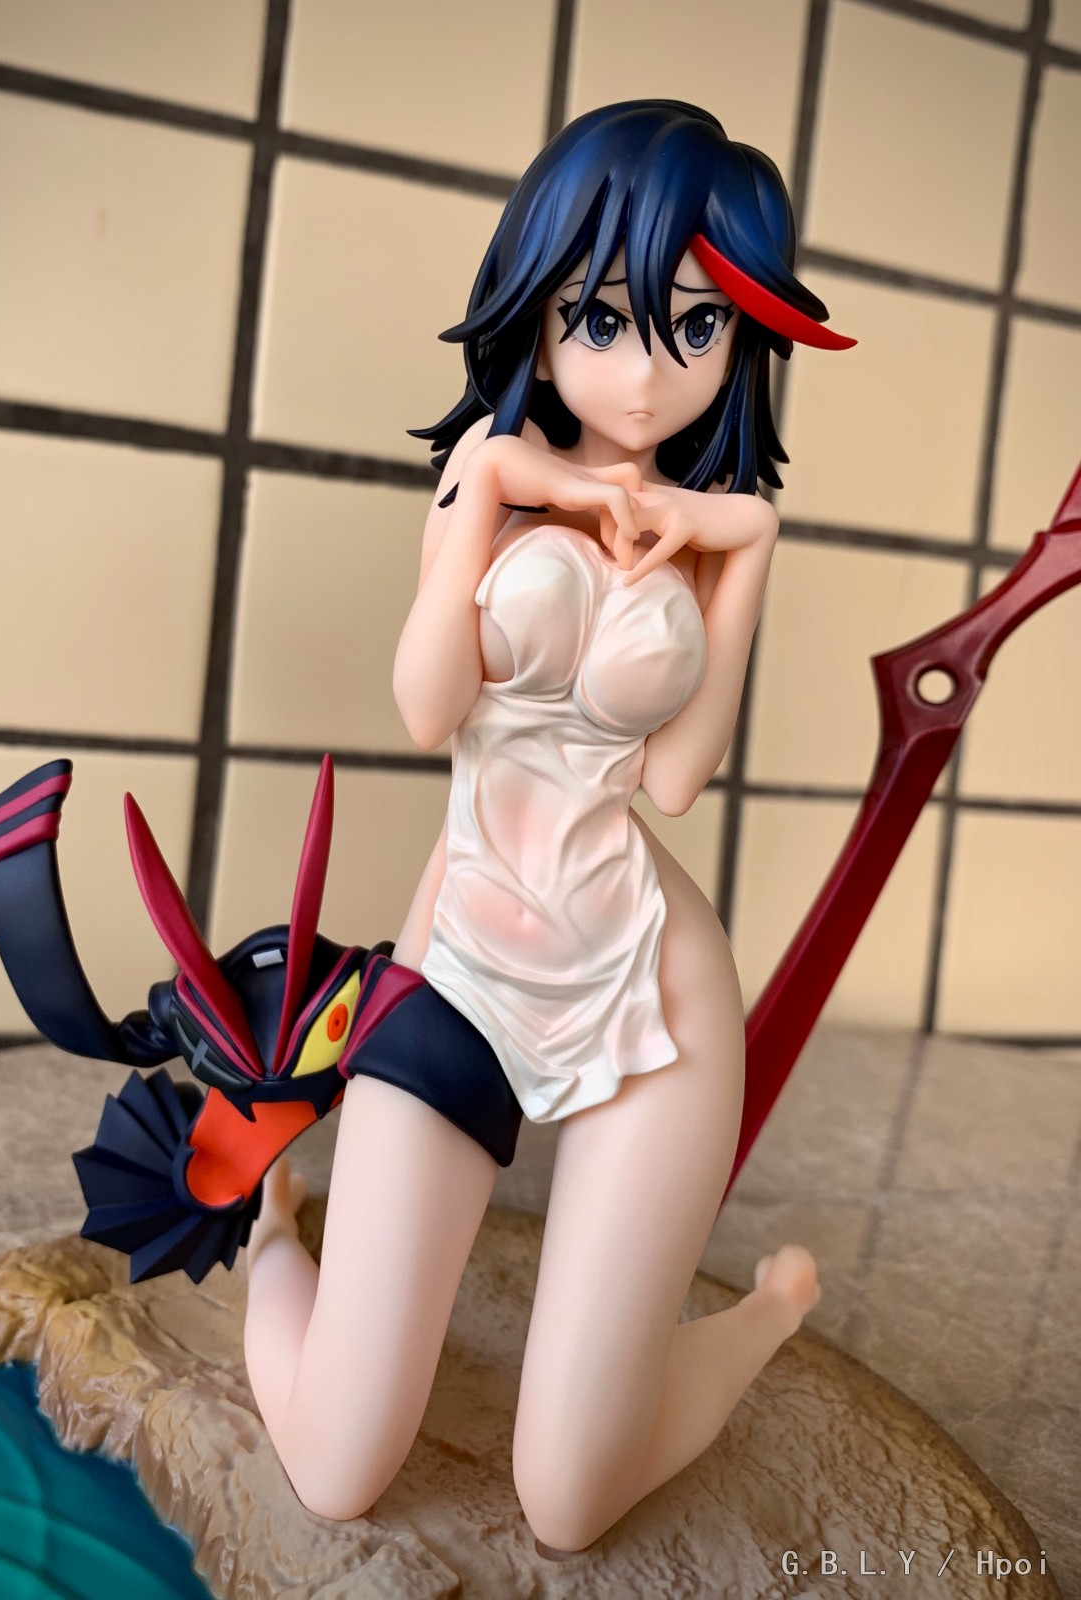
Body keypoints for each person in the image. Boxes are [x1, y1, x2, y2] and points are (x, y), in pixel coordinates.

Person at [243, 99, 854, 1555]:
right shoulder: (487, 482)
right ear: (539, 304)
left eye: (697, 328)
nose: (644, 374)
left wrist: (747, 544)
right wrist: (510, 487)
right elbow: (425, 704)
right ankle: (269, 1235)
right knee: (336, 1464)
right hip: (466, 957)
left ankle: (764, 1316)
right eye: (602, 317)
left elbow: (677, 780)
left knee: (571, 1498)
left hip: (649, 973)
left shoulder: (704, 531)